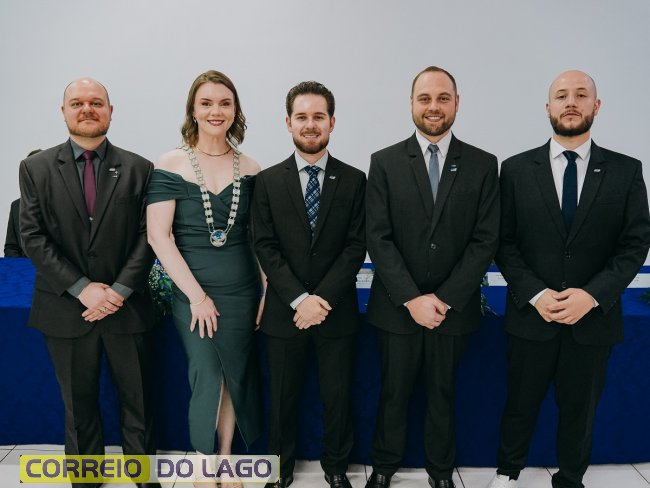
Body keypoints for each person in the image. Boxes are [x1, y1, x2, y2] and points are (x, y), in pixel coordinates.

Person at [486, 70, 650, 488]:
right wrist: (536, 293)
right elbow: (503, 243)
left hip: (592, 319)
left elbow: (634, 245)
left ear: (597, 105)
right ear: (548, 107)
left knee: (580, 410)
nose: (571, 102)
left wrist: (591, 296)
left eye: (581, 95)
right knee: (519, 404)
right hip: (532, 316)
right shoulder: (516, 169)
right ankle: (507, 473)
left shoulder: (626, 171)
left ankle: (571, 479)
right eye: (561, 96)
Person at [18, 78, 159, 488]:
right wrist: (83, 288)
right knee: (78, 406)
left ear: (110, 111)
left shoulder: (140, 168)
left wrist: (118, 290)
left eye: (96, 103)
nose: (87, 109)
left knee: (139, 400)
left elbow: (148, 236)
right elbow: (32, 237)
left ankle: (143, 475)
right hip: (65, 308)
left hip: (127, 306)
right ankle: (86, 479)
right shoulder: (36, 168)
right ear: (63, 112)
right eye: (77, 103)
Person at [365, 66, 500, 488]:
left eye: (443, 98)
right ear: (411, 104)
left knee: (443, 394)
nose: (434, 106)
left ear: (457, 103)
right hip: (397, 307)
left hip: (451, 309)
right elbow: (378, 237)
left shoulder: (483, 164)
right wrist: (411, 298)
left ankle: (441, 473)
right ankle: (383, 468)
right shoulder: (384, 162)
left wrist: (443, 299)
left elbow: (485, 240)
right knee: (393, 392)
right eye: (425, 98)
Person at [146, 70, 262, 485]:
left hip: (243, 291)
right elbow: (159, 237)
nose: (216, 111)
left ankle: (225, 460)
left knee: (235, 375)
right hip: (192, 291)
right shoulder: (170, 163)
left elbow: (257, 239)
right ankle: (201, 460)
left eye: (225, 103)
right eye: (207, 103)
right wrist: (197, 297)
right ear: (193, 110)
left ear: (235, 111)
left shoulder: (251, 167)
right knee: (207, 373)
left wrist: (265, 292)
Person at [251, 81, 366, 488]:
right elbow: (265, 246)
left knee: (338, 397)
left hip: (336, 311)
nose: (310, 124)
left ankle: (336, 468)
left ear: (332, 122)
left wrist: (321, 299)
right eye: (302, 116)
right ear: (288, 122)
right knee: (282, 398)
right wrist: (300, 299)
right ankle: (279, 470)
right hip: (286, 312)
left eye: (319, 116)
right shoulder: (266, 182)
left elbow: (356, 247)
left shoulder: (355, 180)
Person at [4, 149, 42, 257]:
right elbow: (11, 247)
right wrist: (20, 265)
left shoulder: (61, 203)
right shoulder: (16, 206)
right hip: (23, 265)